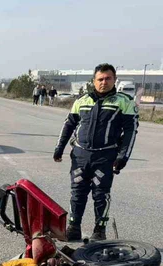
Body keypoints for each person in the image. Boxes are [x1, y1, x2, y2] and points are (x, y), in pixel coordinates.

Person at [54, 63, 139, 241]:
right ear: (94, 81)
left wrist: (122, 157)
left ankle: (99, 230)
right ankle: (73, 227)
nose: (104, 82)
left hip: (105, 157)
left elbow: (131, 131)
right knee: (77, 192)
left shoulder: (123, 101)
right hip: (80, 156)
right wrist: (59, 148)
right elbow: (68, 124)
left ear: (114, 80)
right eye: (100, 79)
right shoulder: (82, 101)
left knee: (101, 194)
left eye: (108, 78)